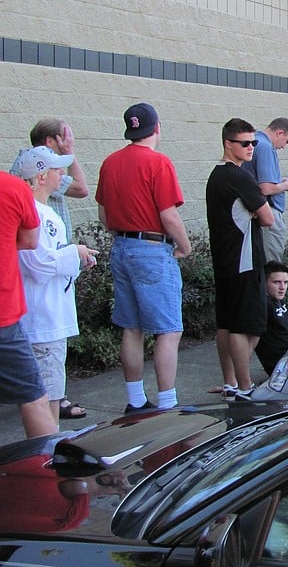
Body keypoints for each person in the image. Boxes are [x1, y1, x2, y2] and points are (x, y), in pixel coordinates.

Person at [95, 102, 192, 413]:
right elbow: (169, 215)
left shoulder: (110, 162)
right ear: (157, 128)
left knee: (132, 326)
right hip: (152, 249)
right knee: (168, 329)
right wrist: (185, 245)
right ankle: (168, 402)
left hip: (121, 246)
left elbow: (102, 212)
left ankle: (136, 400)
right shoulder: (159, 163)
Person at [15, 147, 98, 426]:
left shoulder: (44, 210)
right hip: (43, 319)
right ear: (40, 176)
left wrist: (77, 258)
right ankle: (45, 455)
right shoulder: (33, 212)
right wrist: (73, 252)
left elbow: (54, 257)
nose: (62, 174)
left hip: (52, 314)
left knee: (52, 392)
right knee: (46, 397)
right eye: (56, 169)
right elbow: (37, 263)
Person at [205, 117, 275, 401]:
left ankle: (231, 382)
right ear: (228, 144)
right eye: (245, 143)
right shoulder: (238, 176)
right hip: (244, 259)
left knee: (226, 322)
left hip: (224, 257)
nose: (251, 148)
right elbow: (268, 217)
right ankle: (245, 386)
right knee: (246, 324)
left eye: (254, 143)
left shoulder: (216, 175)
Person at [0, 167, 56, 440]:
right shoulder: (12, 188)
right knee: (33, 399)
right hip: (4, 317)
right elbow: (30, 240)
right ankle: (46, 474)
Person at [13, 118, 90, 233]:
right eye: (66, 137)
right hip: (47, 242)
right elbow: (81, 189)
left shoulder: (41, 163)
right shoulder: (38, 167)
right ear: (50, 141)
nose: (71, 141)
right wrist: (68, 150)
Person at [244, 117, 288, 264]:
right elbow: (265, 188)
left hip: (255, 210)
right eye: (286, 141)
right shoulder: (266, 147)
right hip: (269, 211)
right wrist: (287, 185)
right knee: (271, 265)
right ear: (280, 133)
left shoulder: (254, 142)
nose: (284, 146)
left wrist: (279, 182)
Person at [255, 261, 288, 376]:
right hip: (284, 366)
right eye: (276, 282)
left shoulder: (278, 299)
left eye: (285, 282)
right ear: (264, 283)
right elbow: (246, 342)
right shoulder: (262, 305)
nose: (282, 287)